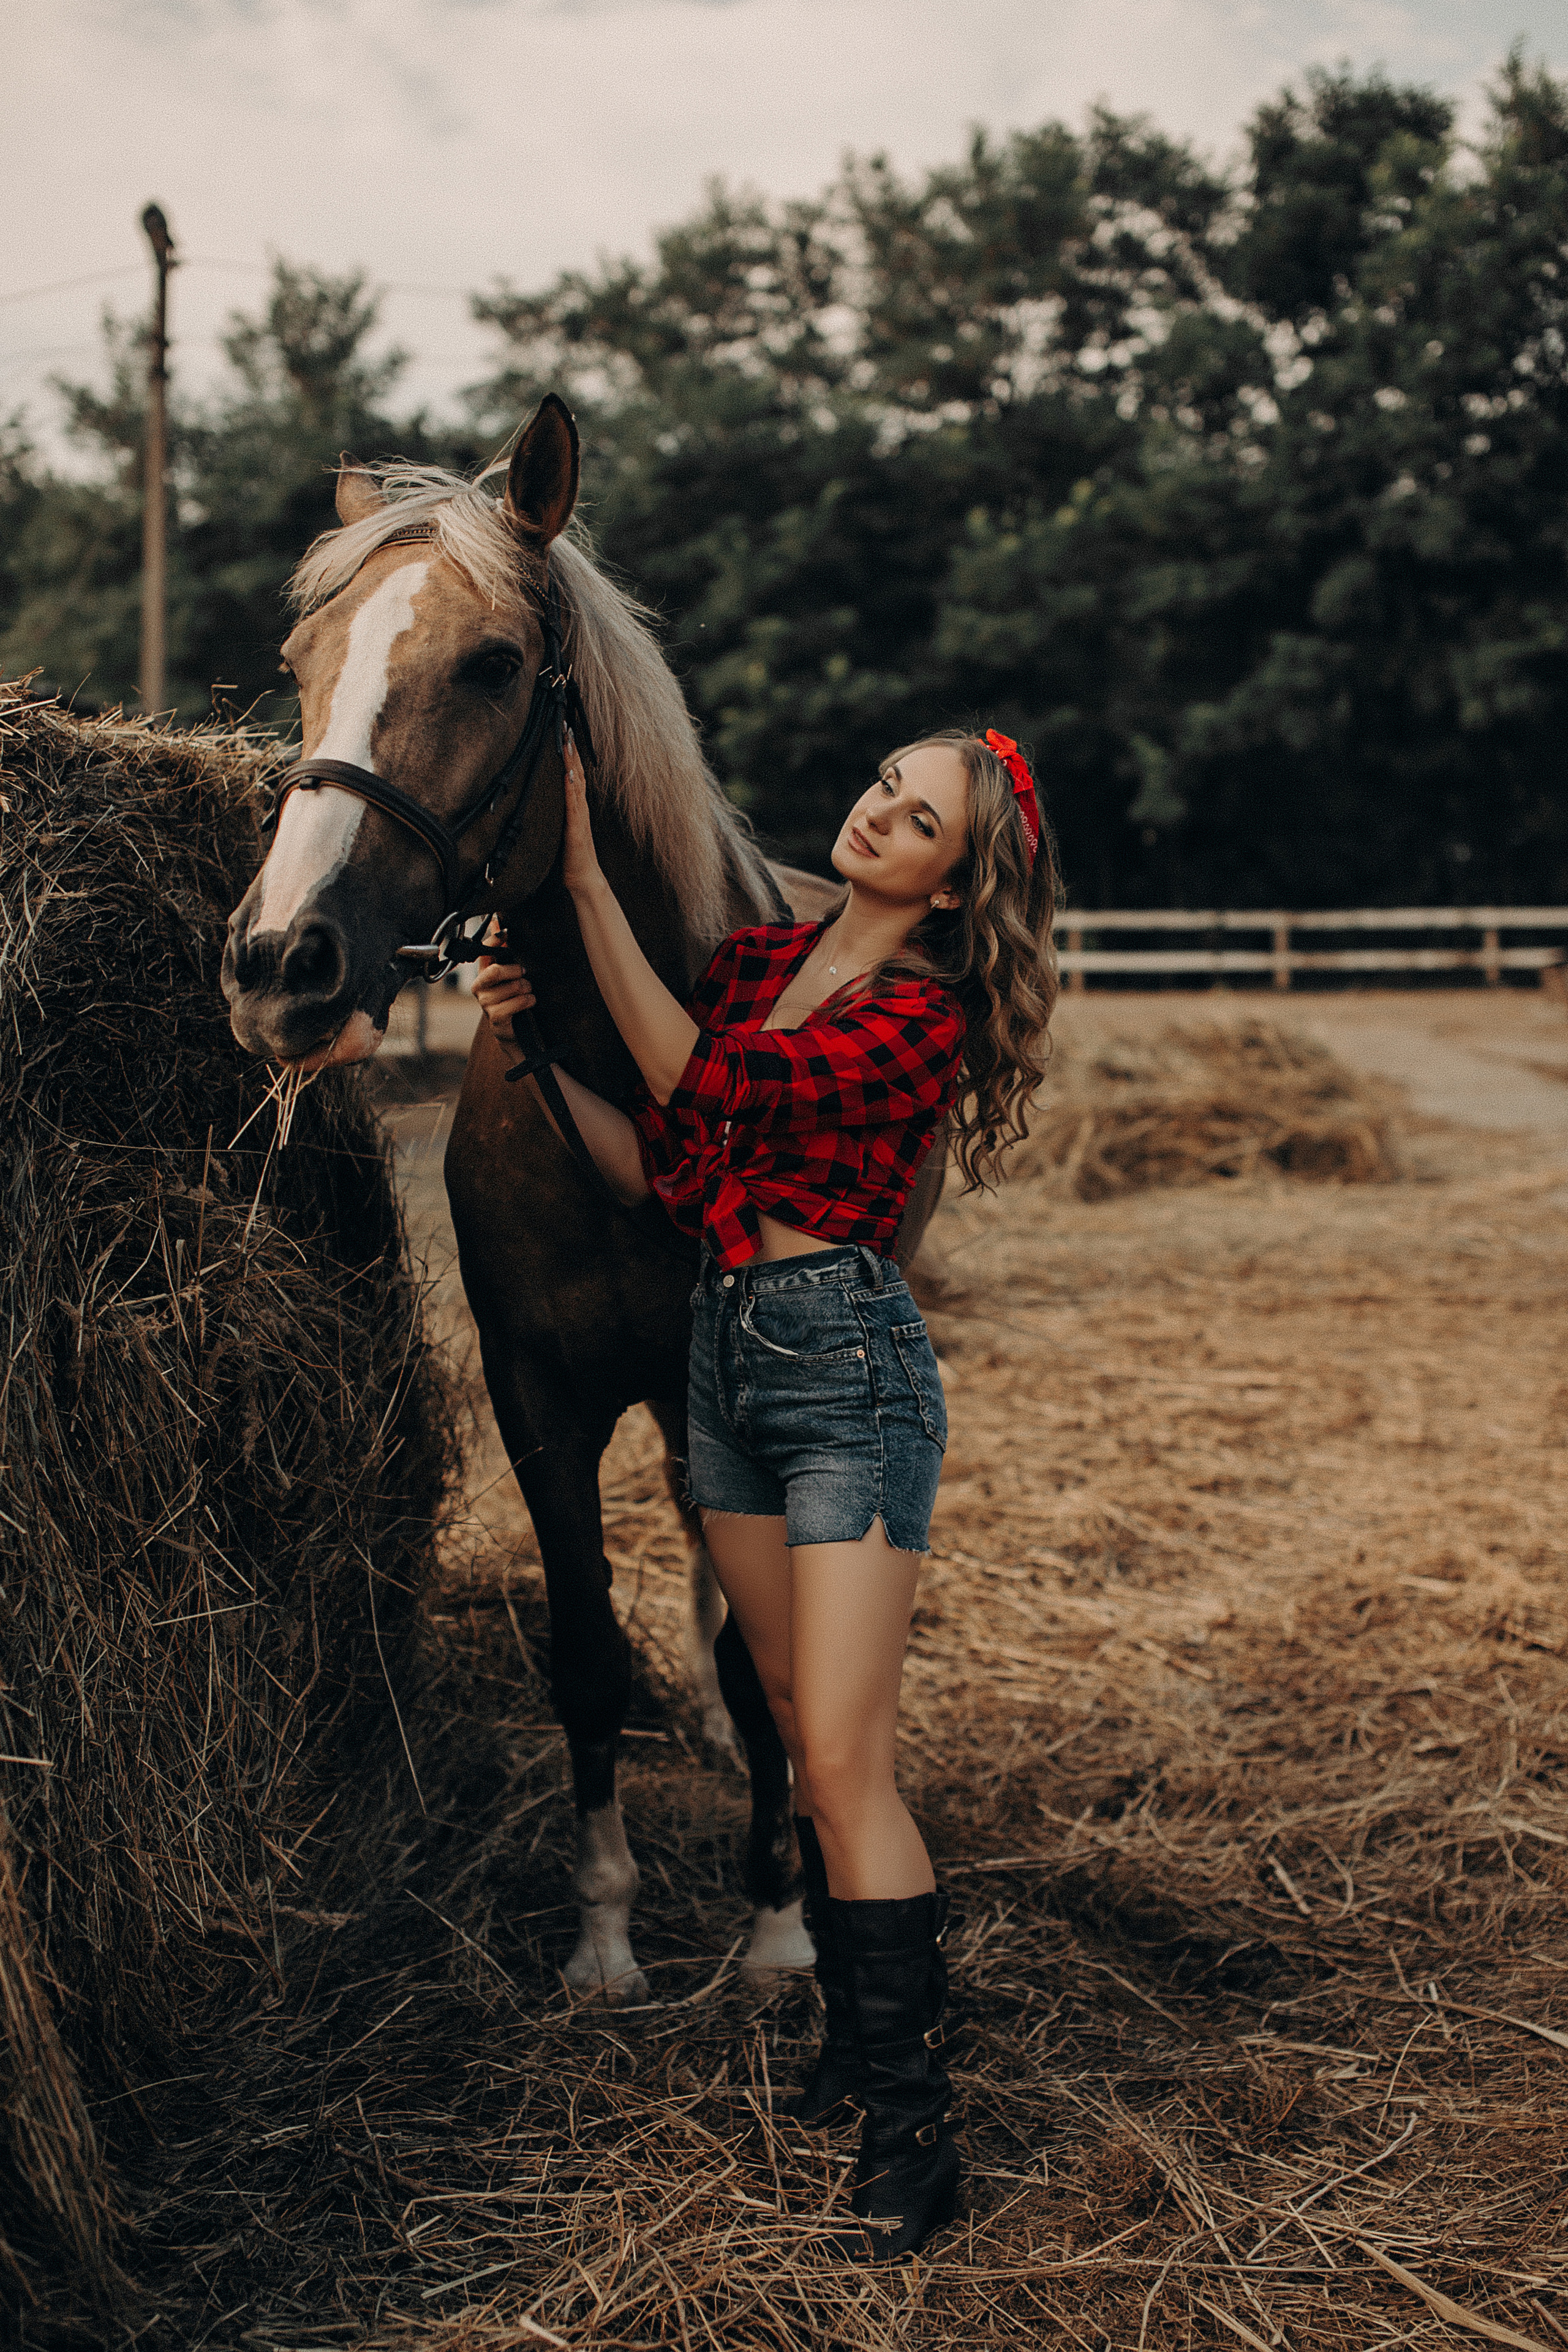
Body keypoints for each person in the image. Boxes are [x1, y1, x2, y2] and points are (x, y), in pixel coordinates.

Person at [474, 726, 1058, 2260]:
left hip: (844, 1373)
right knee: (794, 1726)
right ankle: (860, 2053)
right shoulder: (752, 962)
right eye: (881, 783)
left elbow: (705, 1077)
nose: (877, 813)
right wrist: (537, 1047)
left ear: (952, 882)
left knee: (848, 1765)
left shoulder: (915, 1017)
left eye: (918, 817)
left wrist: (588, 882)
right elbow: (656, 1166)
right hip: (725, 1364)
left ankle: (908, 2125)